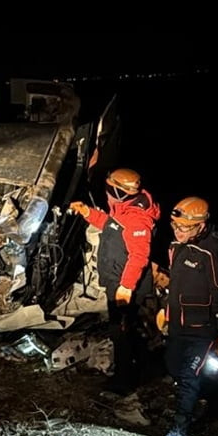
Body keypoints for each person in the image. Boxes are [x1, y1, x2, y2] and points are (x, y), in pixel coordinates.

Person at [68, 167, 161, 394]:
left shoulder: (137, 218)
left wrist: (126, 288)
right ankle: (143, 371)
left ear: (119, 191)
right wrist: (88, 213)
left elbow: (139, 256)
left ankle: (123, 383)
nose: (106, 191)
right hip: (117, 279)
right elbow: (111, 226)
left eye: (110, 188)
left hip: (125, 284)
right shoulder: (123, 208)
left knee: (121, 333)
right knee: (129, 330)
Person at [160, 196, 218, 436]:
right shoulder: (177, 244)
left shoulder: (215, 249)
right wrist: (165, 312)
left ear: (201, 225)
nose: (179, 231)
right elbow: (176, 286)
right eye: (176, 226)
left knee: (188, 375)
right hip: (177, 325)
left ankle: (179, 429)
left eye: (185, 227)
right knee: (173, 366)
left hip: (203, 329)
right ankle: (200, 399)